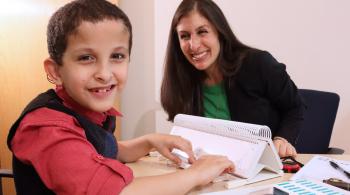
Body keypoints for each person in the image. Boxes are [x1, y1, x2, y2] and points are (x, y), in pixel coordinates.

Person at [6, 1, 234, 194]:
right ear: (56, 71)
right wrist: (196, 174)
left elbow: (105, 149)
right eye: (86, 57)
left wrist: (149, 141)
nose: (105, 74)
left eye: (117, 56)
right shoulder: (47, 128)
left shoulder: (83, 110)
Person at [161, 0, 305, 158]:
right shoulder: (181, 80)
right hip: (213, 171)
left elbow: (295, 107)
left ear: (219, 32)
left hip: (261, 167)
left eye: (202, 32)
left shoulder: (258, 63)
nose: (193, 45)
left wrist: (282, 139)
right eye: (184, 36)